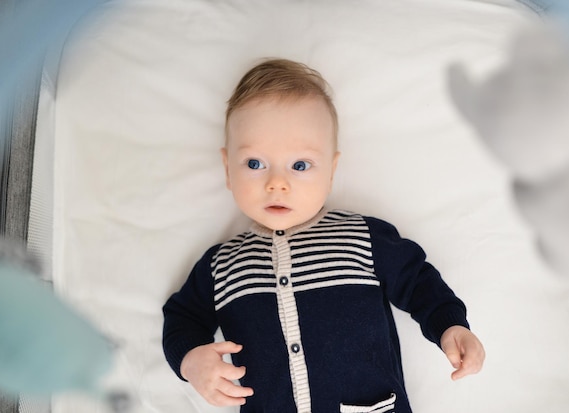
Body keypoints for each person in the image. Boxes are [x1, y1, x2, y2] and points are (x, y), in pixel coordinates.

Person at [162, 58, 485, 413]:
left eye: (300, 166)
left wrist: (450, 325)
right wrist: (191, 360)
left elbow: (417, 281)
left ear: (331, 171)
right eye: (254, 164)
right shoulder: (221, 266)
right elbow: (182, 318)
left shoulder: (361, 237)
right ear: (227, 169)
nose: (276, 183)